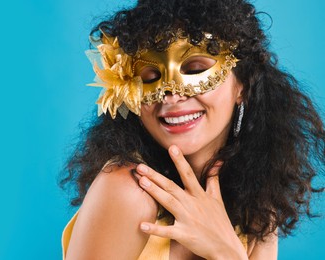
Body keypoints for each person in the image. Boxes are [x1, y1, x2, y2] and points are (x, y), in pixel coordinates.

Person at [60, 0, 325, 259]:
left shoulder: (257, 207)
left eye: (196, 69)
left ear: (242, 85)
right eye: (150, 77)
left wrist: (226, 251)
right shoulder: (128, 191)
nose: (171, 96)